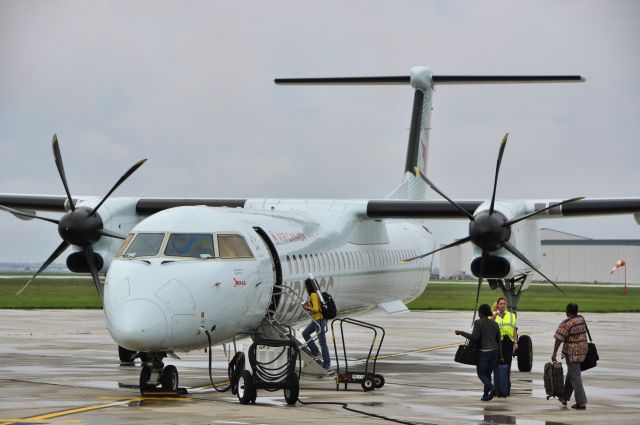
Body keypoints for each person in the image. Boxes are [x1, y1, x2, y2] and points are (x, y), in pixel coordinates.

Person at [455, 303, 502, 401]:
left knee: (481, 374)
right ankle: (485, 395)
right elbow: (498, 341)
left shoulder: (478, 323)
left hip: (484, 353)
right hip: (494, 352)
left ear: (480, 313)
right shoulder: (495, 324)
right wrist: (500, 356)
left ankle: (491, 388)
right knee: (488, 374)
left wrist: (461, 333)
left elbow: (474, 337)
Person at [552, 302, 588, 409]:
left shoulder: (567, 323)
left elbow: (559, 338)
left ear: (567, 311)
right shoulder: (581, 319)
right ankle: (564, 396)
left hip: (572, 353)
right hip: (582, 352)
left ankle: (581, 402)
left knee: (575, 376)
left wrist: (554, 353)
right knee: (572, 373)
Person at [301, 278, 331, 370]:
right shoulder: (317, 293)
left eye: (305, 285)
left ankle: (327, 364)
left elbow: (316, 309)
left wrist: (308, 308)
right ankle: (316, 352)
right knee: (305, 333)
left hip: (319, 320)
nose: (304, 287)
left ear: (309, 286)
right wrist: (310, 306)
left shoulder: (313, 294)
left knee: (323, 343)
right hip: (317, 320)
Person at [492, 297, 518, 368]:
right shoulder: (493, 314)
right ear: (497, 305)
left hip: (508, 341)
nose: (502, 305)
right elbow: (489, 325)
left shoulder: (511, 315)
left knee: (508, 361)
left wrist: (515, 342)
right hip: (497, 341)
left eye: (504, 304)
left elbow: (514, 330)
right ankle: (498, 377)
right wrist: (495, 315)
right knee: (498, 361)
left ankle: (507, 377)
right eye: (501, 304)